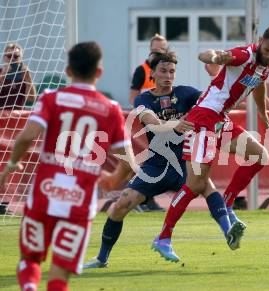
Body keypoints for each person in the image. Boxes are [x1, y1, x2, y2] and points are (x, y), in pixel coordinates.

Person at [84, 51, 243, 267]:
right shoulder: (143, 99)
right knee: (121, 205)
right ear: (153, 73)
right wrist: (173, 125)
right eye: (163, 71)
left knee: (207, 186)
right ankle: (102, 258)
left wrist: (218, 75)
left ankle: (228, 232)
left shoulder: (186, 94)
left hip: (185, 160)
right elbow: (152, 123)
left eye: (172, 71)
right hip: (156, 165)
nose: (168, 75)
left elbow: (215, 102)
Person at [0, 41, 133, 291]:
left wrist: (12, 164)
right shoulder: (111, 109)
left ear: (68, 71)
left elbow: (27, 137)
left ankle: (28, 287)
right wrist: (114, 179)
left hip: (44, 193)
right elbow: (128, 161)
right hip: (79, 199)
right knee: (60, 273)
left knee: (30, 259)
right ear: (99, 72)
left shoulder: (51, 98)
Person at [153, 25, 269, 260]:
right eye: (267, 50)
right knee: (195, 184)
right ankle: (163, 237)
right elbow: (208, 56)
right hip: (204, 117)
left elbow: (259, 85)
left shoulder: (267, 66)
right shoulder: (244, 54)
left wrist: (264, 114)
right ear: (260, 41)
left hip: (219, 120)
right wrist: (215, 56)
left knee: (259, 155)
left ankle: (227, 203)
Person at [129, 33, 168, 212]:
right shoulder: (142, 70)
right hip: (144, 122)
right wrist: (145, 112)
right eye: (154, 50)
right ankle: (138, 196)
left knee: (156, 159)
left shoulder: (167, 70)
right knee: (150, 160)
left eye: (160, 50)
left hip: (160, 122)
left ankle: (143, 197)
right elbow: (133, 97)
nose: (156, 53)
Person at [0, 43, 36, 109]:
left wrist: (28, 78)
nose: (12, 59)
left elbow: (31, 99)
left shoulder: (24, 73)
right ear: (4, 58)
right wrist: (3, 75)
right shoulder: (0, 72)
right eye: (9, 56)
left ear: (20, 58)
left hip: (18, 115)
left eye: (16, 56)